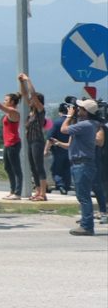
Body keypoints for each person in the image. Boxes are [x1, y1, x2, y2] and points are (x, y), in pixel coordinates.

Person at [60, 99, 105, 236]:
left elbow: (63, 129)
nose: (77, 110)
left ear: (86, 112)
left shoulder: (85, 125)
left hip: (82, 164)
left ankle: (87, 226)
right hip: (83, 163)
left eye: (80, 108)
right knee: (83, 196)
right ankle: (86, 223)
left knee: (84, 196)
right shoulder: (92, 124)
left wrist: (68, 116)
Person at [18, 73, 48, 201]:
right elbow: (25, 94)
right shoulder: (31, 113)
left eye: (33, 100)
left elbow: (33, 95)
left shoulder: (41, 110)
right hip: (30, 141)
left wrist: (28, 80)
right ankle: (37, 191)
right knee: (32, 166)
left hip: (37, 140)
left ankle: (43, 193)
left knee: (39, 165)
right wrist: (21, 83)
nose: (31, 101)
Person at [46, 103, 72, 194]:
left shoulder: (56, 123)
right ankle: (67, 185)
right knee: (67, 169)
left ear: (60, 112)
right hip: (70, 150)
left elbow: (50, 137)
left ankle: (61, 185)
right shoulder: (72, 122)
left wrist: (46, 150)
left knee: (56, 169)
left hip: (58, 150)